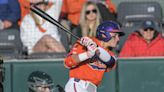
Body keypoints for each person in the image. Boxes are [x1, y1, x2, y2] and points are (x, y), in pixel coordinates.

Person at [64, 21, 125, 92]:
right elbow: (68, 62)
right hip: (78, 85)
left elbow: (111, 62)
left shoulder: (110, 54)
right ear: (104, 34)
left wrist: (96, 48)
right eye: (115, 35)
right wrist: (88, 54)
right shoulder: (85, 43)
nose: (118, 39)